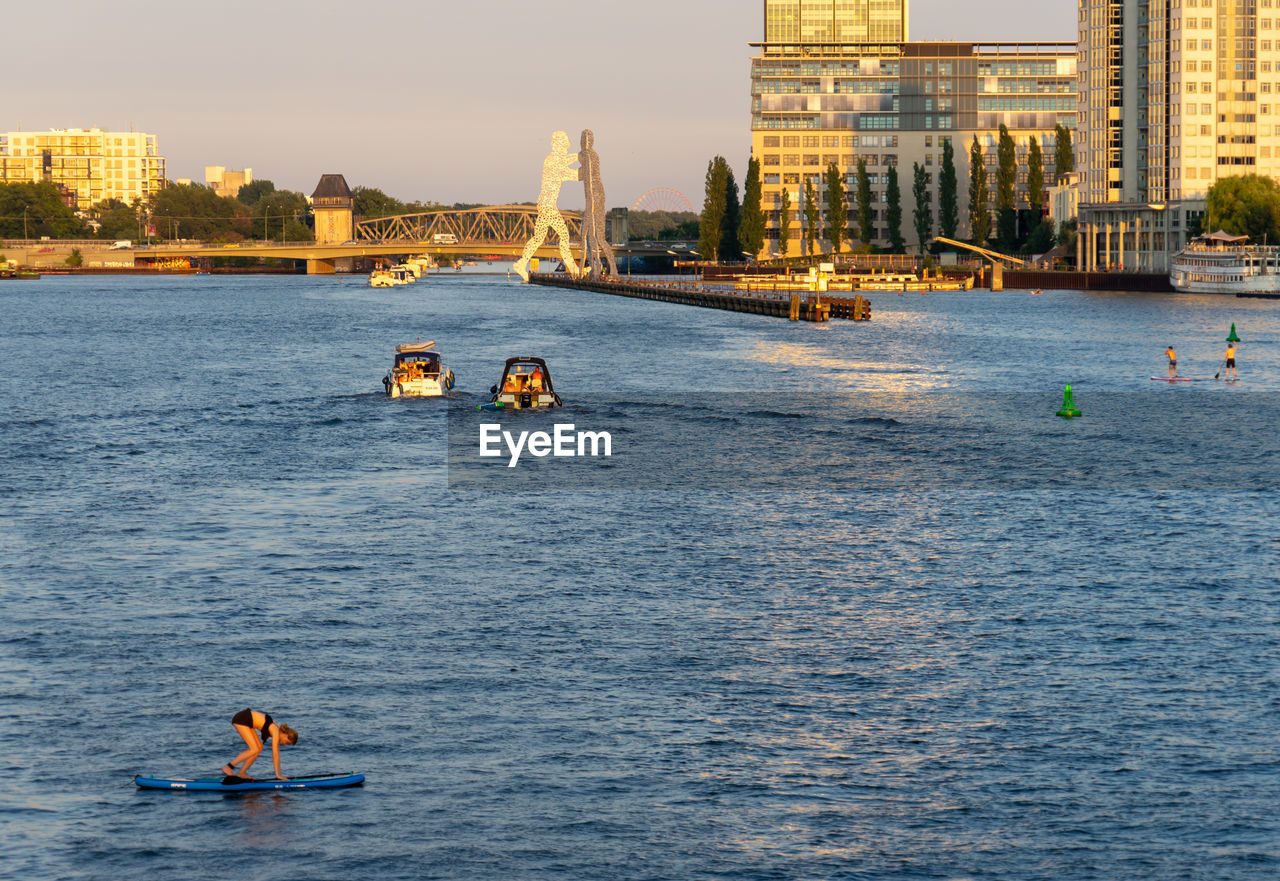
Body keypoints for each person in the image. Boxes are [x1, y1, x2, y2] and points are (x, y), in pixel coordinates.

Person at [513, 131, 582, 282]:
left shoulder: (555, 160)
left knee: (538, 238)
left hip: (544, 204)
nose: (566, 149)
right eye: (564, 146)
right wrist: (580, 157)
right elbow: (571, 173)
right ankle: (574, 268)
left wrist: (579, 159)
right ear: (557, 145)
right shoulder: (551, 160)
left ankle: (521, 263)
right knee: (564, 235)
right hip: (548, 205)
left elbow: (569, 170)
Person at [222, 708, 298, 780]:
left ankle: (242, 773)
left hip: (248, 721)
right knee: (254, 749)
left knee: (259, 748)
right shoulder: (276, 731)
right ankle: (228, 767)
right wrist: (278, 775)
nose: (285, 745)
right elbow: (275, 754)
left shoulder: (276, 730)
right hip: (242, 718)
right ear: (286, 735)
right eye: (287, 742)